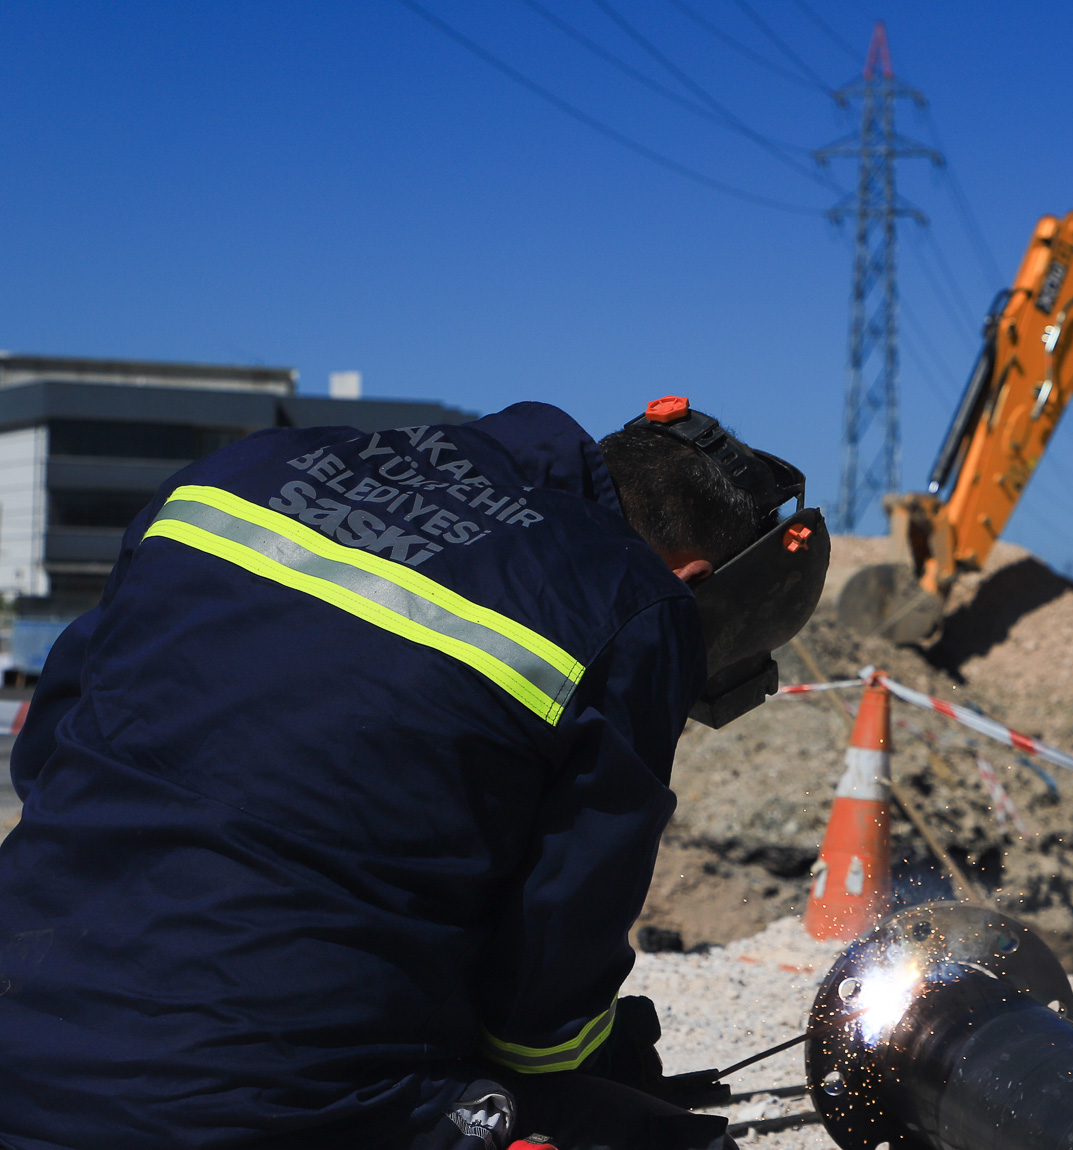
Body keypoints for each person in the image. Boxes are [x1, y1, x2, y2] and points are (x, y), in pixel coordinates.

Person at [0, 397, 815, 1149]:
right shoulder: (627, 601)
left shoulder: (238, 475)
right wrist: (584, 1071)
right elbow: (547, 977)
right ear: (691, 581)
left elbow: (46, 757)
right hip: (260, 1105)